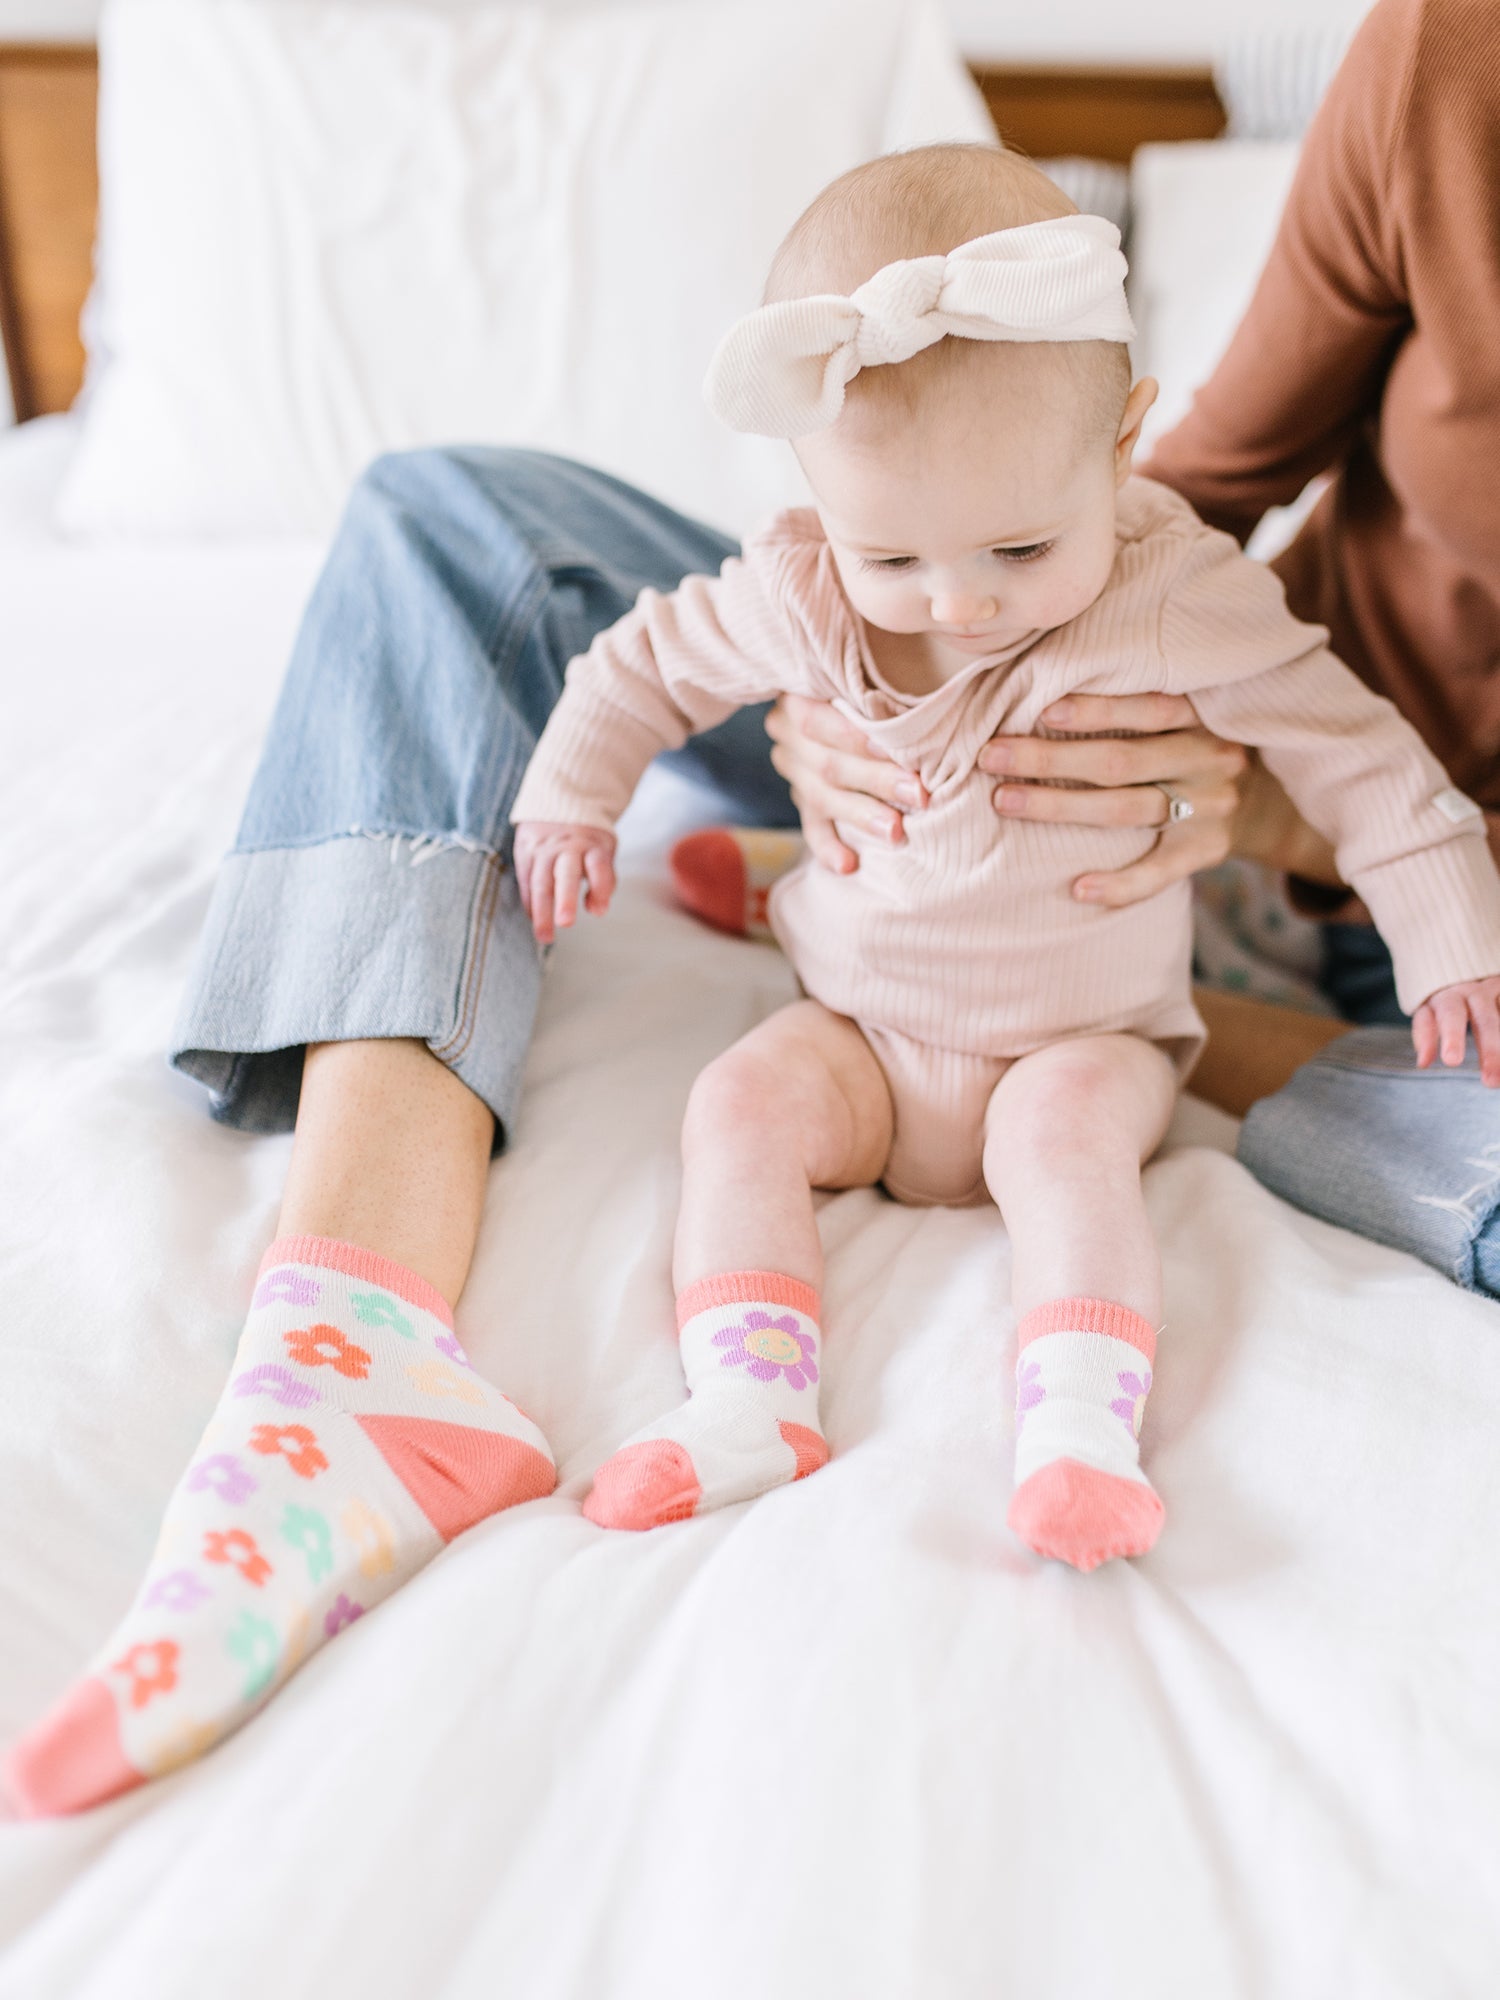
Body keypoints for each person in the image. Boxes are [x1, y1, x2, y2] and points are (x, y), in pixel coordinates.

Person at [509, 145, 1500, 1582]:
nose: (959, 603)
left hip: (1081, 1039)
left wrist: (1451, 935)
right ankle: (749, 1401)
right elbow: (639, 666)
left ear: (1122, 446)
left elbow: (1358, 753)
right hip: (864, 1029)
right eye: (893, 558)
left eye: (1020, 547)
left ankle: (1080, 1441)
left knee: (1064, 1150)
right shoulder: (802, 592)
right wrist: (569, 804)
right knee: (739, 1108)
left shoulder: (1173, 593)